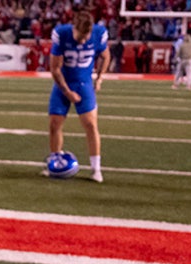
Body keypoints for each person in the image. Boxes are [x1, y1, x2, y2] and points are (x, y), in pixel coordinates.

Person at [47, 10, 108, 182]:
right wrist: (67, 92)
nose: (82, 40)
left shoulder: (99, 33)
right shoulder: (62, 34)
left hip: (84, 83)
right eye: (80, 36)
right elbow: (55, 69)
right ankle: (55, 161)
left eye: (86, 36)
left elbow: (105, 55)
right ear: (74, 28)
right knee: (54, 123)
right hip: (63, 84)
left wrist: (100, 77)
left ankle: (96, 168)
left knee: (90, 124)